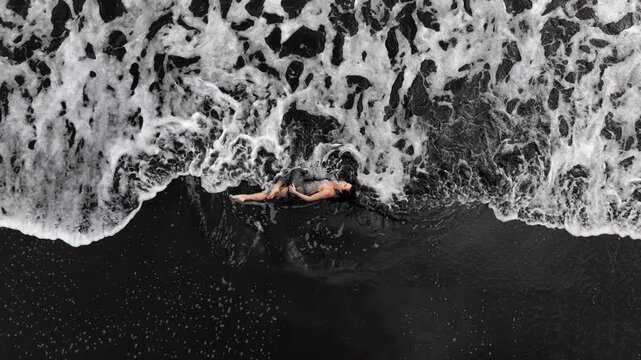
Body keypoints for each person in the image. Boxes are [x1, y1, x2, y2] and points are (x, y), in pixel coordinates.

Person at [230, 168, 354, 203]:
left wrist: (295, 192)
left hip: (299, 190)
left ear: (340, 191)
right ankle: (277, 186)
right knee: (294, 172)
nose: (344, 183)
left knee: (294, 172)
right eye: (346, 183)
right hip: (303, 183)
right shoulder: (335, 182)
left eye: (345, 186)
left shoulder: (329, 192)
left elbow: (310, 199)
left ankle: (244, 197)